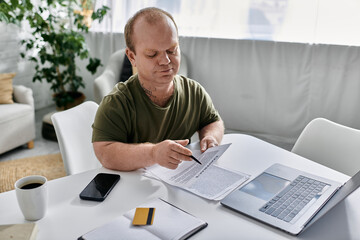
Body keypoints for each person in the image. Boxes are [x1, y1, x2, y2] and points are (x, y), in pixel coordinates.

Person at [92, 7, 224, 171]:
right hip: (134, 189)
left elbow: (212, 121)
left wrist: (210, 137)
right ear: (132, 57)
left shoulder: (194, 92)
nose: (165, 61)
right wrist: (153, 153)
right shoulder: (117, 102)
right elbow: (105, 153)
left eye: (172, 50)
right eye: (152, 54)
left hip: (178, 186)